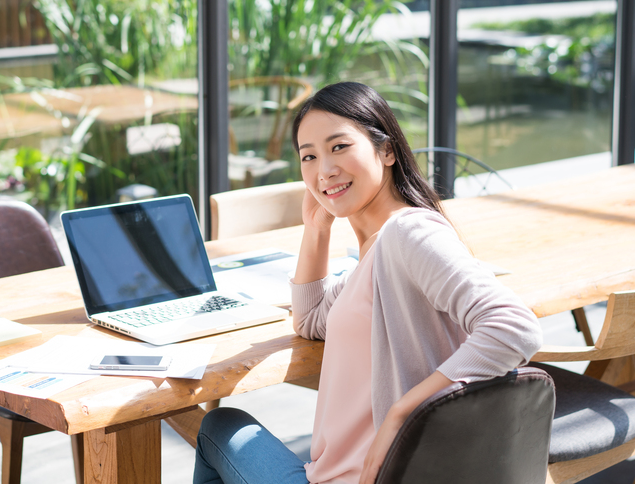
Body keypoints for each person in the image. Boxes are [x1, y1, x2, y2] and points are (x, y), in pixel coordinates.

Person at [193, 81, 543, 484]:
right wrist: (316, 227)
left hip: (366, 477)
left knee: (218, 428)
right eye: (309, 156)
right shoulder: (374, 257)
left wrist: (402, 412)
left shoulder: (407, 234)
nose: (324, 169)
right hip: (394, 472)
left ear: (387, 150)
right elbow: (309, 321)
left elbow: (515, 327)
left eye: (339, 147)